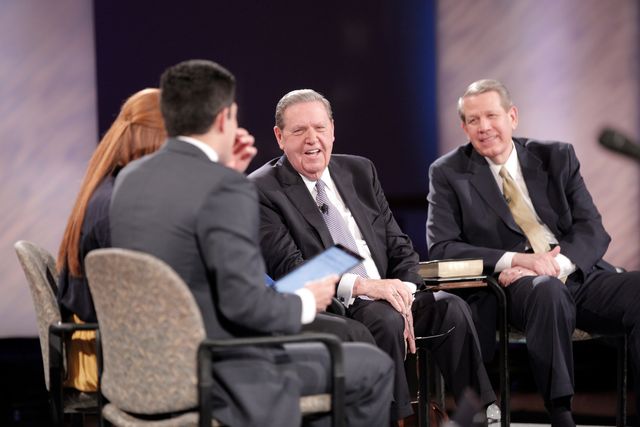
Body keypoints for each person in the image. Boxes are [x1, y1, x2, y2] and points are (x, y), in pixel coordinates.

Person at [109, 60, 394, 427]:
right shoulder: (228, 188)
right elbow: (247, 307)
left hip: (145, 371)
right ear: (225, 117)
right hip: (219, 370)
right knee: (371, 367)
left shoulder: (130, 179)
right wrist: (308, 299)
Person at [249, 89, 496, 424]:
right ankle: (395, 420)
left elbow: (400, 247)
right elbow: (290, 268)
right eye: (299, 131)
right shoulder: (263, 190)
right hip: (338, 307)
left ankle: (481, 414)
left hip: (391, 295)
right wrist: (366, 288)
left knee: (450, 308)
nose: (312, 140)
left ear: (333, 130)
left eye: (320, 129)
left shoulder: (359, 171)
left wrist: (405, 293)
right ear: (279, 137)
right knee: (384, 319)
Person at [426, 78, 640, 427]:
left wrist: (556, 264)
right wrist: (520, 261)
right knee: (547, 291)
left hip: (573, 271)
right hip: (514, 286)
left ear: (512, 116)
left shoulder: (556, 156)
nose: (484, 127)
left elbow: (592, 228)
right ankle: (561, 413)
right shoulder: (448, 172)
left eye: (492, 116)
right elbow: (443, 247)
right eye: (474, 120)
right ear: (464, 127)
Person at [57, 88, 167, 392]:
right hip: (110, 355)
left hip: (109, 342)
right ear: (158, 141)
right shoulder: (117, 206)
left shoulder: (112, 190)